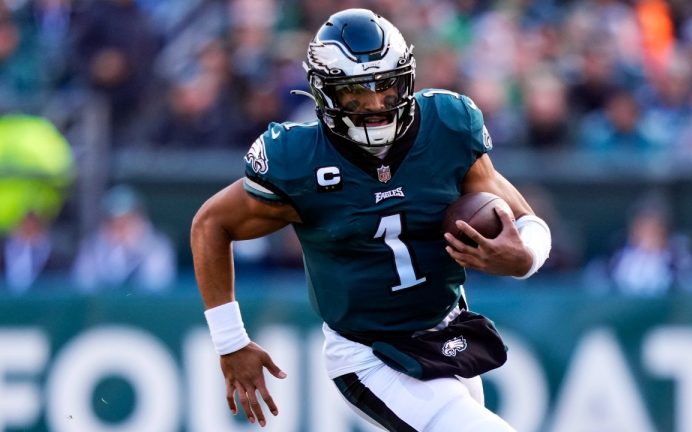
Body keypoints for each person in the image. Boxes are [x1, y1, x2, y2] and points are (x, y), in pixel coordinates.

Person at [190, 9, 551, 431]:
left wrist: (524, 258)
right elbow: (210, 224)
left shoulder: (447, 127)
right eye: (355, 94)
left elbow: (527, 220)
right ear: (324, 94)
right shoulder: (299, 159)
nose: (377, 105)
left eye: (386, 86)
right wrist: (230, 341)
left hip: (447, 332)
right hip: (370, 354)